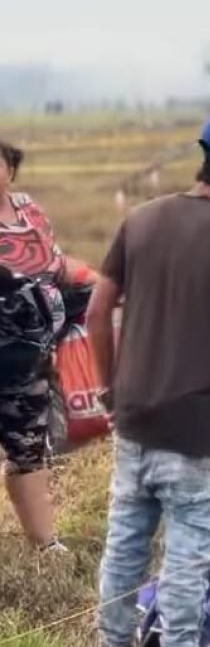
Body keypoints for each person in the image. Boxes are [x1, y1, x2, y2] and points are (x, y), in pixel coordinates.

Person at [87, 112, 210, 647]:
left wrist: (111, 390)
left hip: (133, 415)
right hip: (197, 425)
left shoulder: (142, 219)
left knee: (125, 544)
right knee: (188, 553)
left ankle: (113, 639)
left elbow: (96, 313)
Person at [0, 139, 94, 551]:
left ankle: (45, 544)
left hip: (30, 352)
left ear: (11, 168)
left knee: (28, 443)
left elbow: (55, 265)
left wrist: (98, 281)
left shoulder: (27, 209)